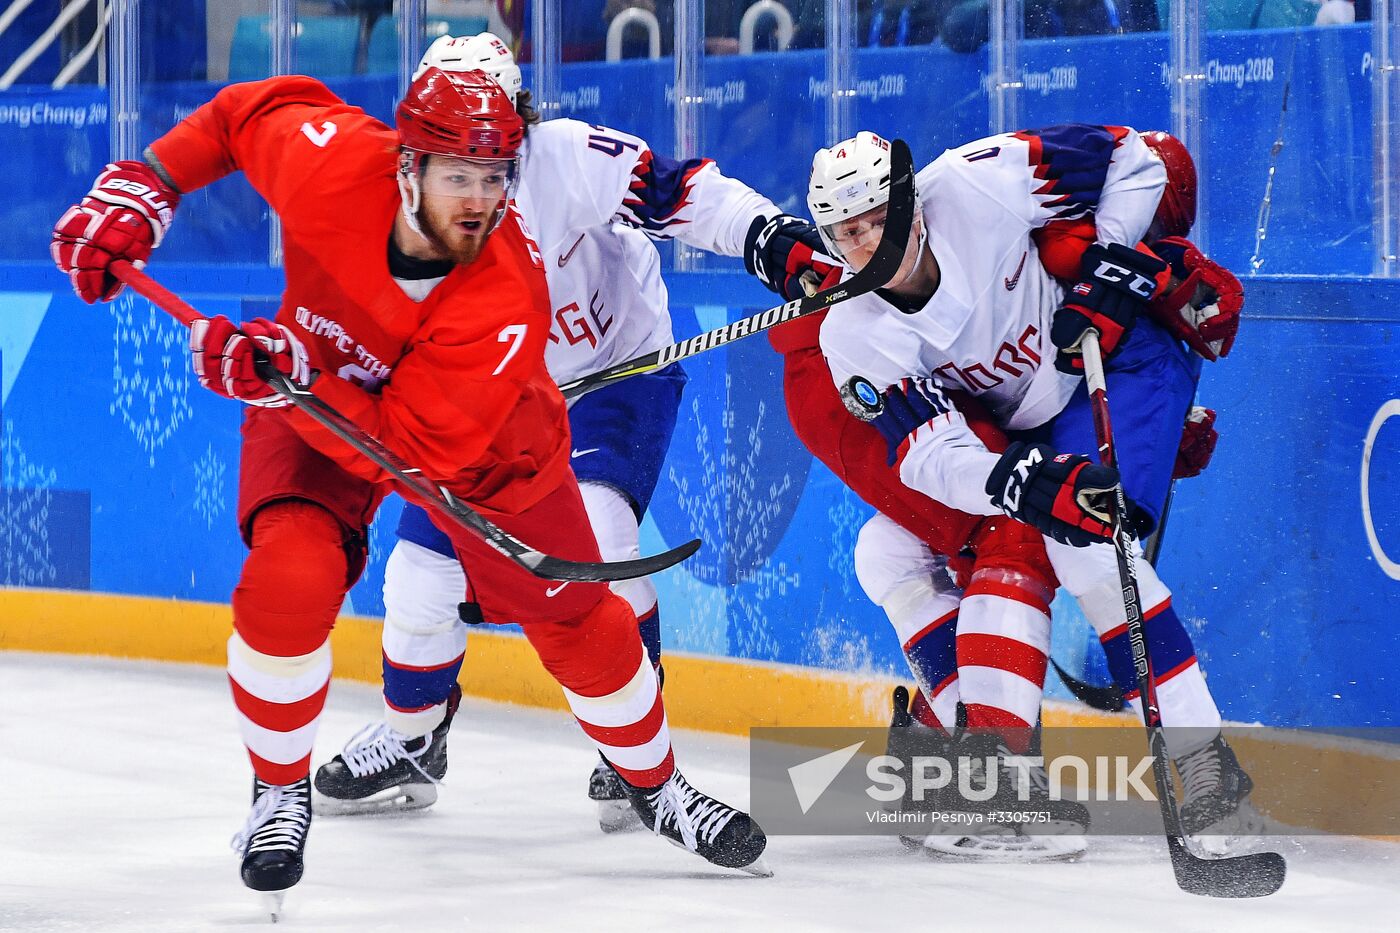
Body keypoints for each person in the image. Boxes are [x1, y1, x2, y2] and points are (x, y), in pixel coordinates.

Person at [49, 67, 769, 912]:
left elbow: (409, 450)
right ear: (406, 167)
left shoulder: (504, 295)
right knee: (289, 579)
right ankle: (279, 792)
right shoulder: (333, 164)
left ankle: (658, 785)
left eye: (496, 178)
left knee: (582, 625)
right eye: (458, 176)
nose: (479, 199)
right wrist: (148, 185)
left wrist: (284, 377)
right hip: (312, 386)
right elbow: (249, 111)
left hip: (481, 448)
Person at [310, 32, 790, 834]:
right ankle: (413, 742)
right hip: (492, 411)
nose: (464, 149)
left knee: (596, 544)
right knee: (415, 584)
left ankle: (633, 748)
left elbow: (679, 192)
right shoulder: (407, 200)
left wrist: (767, 235)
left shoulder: (566, 157)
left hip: (613, 379)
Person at [791, 124, 1252, 848]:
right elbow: (927, 452)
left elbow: (1131, 157)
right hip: (1017, 423)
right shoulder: (852, 330)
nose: (868, 242)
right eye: (847, 231)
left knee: (1090, 549)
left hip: (1101, 366)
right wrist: (1014, 481)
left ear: (912, 201)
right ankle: (961, 759)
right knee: (889, 547)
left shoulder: (978, 181)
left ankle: (1200, 760)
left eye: (880, 217)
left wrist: (1107, 265)